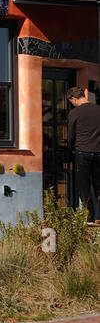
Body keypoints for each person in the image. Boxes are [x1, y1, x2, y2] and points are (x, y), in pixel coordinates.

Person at [67, 87, 100, 222]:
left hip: (82, 152)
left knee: (84, 186)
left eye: (71, 102)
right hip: (99, 152)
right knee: (99, 185)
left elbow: (70, 135)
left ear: (74, 98)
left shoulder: (74, 113)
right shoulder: (98, 110)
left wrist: (71, 148)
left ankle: (89, 217)